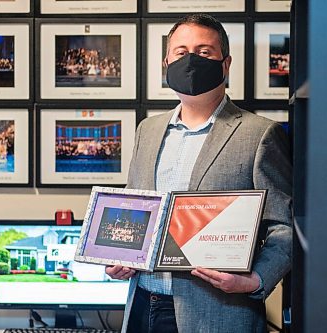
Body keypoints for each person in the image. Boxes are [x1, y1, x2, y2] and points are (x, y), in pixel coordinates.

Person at [106, 13, 292, 333]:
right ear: (167, 63)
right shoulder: (147, 131)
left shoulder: (260, 134)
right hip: (141, 305)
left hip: (218, 312)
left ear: (226, 64)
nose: (191, 60)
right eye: (180, 52)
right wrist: (118, 255)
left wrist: (256, 280)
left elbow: (284, 227)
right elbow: (135, 212)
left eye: (204, 52)